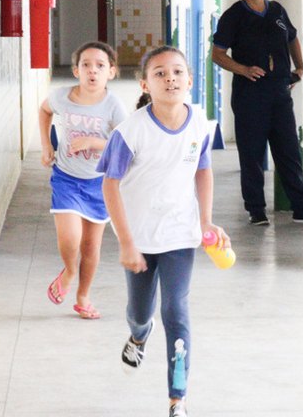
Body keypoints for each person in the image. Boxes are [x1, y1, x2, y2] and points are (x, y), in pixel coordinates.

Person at [97, 46, 230, 417]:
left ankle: (178, 398)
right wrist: (125, 242)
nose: (169, 78)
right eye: (159, 73)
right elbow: (110, 185)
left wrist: (205, 222)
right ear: (145, 83)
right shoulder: (130, 131)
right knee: (141, 311)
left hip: (179, 234)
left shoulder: (201, 122)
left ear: (189, 80)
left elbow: (203, 170)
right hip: (137, 237)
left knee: (177, 308)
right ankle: (139, 334)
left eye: (177, 72)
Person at [211, 0, 303, 226]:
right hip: (250, 94)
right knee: (252, 152)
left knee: (288, 150)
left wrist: (300, 67)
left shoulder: (277, 11)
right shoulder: (233, 15)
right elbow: (218, 54)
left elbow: (292, 37)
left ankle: (301, 206)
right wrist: (243, 69)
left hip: (280, 92)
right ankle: (256, 209)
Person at [39, 41, 128, 319]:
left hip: (98, 183)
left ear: (111, 72)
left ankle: (83, 296)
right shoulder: (62, 96)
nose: (93, 71)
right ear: (76, 70)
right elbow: (44, 111)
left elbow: (125, 142)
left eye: (100, 66)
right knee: (70, 237)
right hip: (66, 177)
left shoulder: (114, 105)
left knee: (91, 246)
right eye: (86, 65)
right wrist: (46, 145)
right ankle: (69, 271)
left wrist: (95, 141)